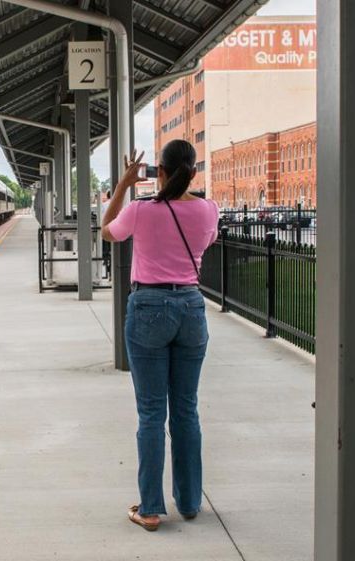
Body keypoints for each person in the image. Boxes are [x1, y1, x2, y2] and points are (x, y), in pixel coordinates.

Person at [101, 139, 220, 532]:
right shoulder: (207, 210)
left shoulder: (140, 210)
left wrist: (123, 184)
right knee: (186, 409)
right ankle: (188, 502)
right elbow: (205, 241)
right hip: (190, 308)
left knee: (152, 412)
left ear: (161, 172)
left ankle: (150, 508)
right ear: (193, 172)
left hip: (149, 307)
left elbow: (107, 232)